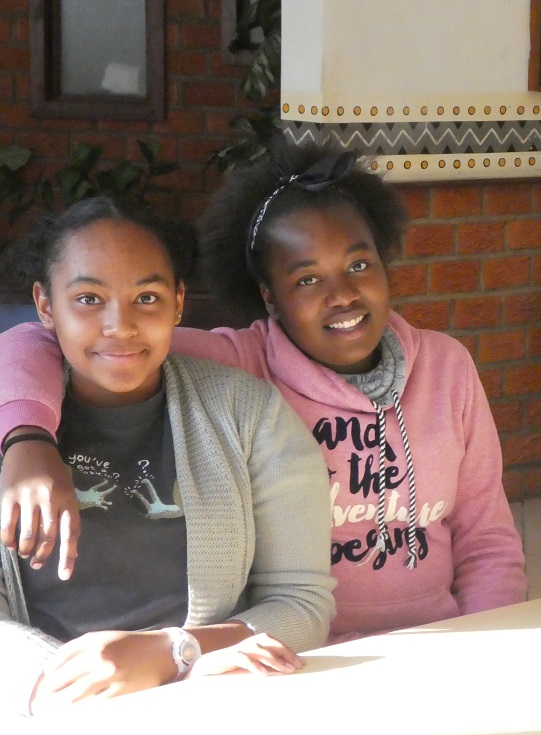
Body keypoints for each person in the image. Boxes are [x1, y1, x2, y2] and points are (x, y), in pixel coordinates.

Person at [0, 137, 526, 645]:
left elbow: (486, 540)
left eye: (358, 265)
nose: (342, 295)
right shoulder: (240, 364)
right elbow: (44, 342)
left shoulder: (446, 367)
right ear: (270, 297)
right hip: (300, 649)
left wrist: (490, 643)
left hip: (435, 640)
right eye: (306, 279)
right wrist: (27, 438)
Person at [0, 197, 335, 716]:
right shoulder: (11, 423)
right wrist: (60, 687)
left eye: (147, 297)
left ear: (178, 301)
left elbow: (302, 603)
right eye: (88, 298)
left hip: (216, 702)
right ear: (45, 304)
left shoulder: (247, 414)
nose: (120, 325)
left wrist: (176, 652)